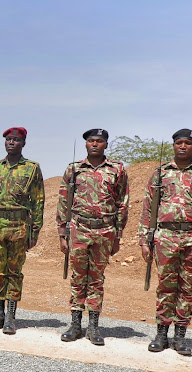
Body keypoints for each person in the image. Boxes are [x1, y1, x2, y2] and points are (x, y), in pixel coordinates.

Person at [139, 128, 192, 356]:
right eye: (179, 143)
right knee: (166, 286)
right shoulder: (160, 173)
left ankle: (180, 336)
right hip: (165, 237)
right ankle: (161, 334)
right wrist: (144, 240)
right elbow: (148, 208)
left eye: (187, 143)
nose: (183, 147)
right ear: (174, 145)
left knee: (187, 288)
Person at [56, 129, 129, 345]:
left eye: (99, 141)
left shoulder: (117, 169)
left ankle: (94, 327)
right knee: (78, 277)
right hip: (78, 229)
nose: (94, 144)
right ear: (85, 144)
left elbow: (122, 202)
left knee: (96, 279)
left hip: (105, 231)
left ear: (106, 145)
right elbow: (63, 202)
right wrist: (62, 232)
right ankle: (75, 325)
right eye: (90, 141)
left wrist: (118, 234)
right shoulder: (74, 169)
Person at [0, 127, 44, 334]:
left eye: (16, 140)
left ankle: (11, 316)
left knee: (14, 272)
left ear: (23, 143)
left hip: (19, 226)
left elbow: (38, 201)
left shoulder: (32, 169)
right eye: (9, 139)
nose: (11, 143)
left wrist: (34, 231)